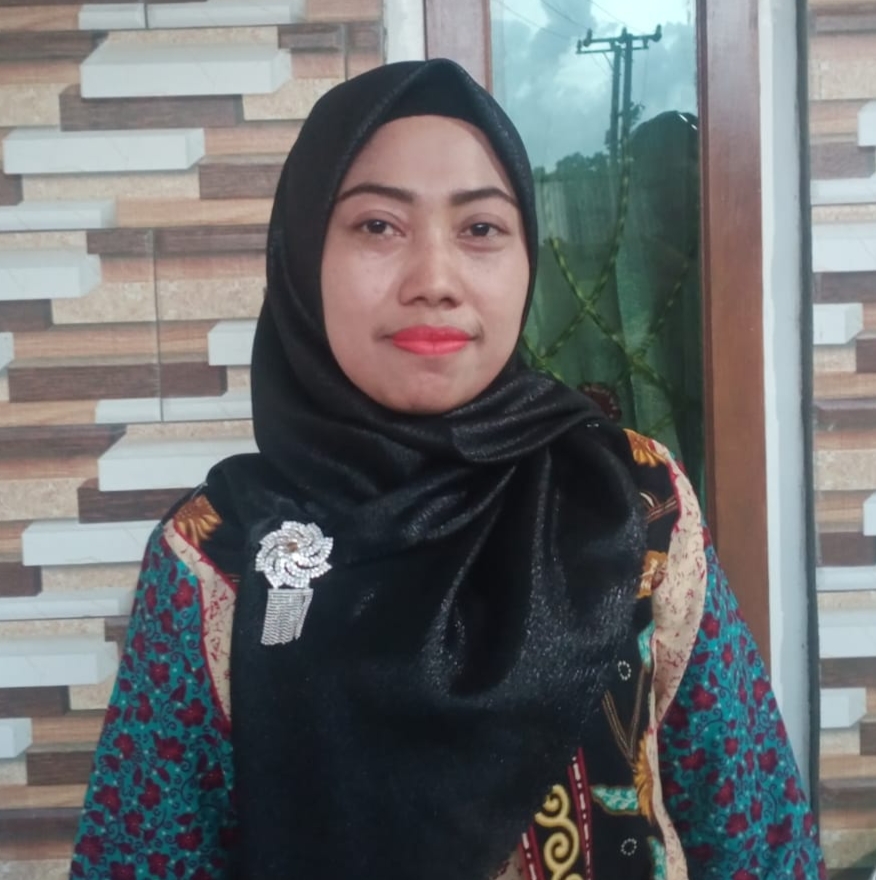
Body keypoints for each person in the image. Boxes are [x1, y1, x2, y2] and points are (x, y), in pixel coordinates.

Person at [69, 59, 825, 880]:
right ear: (301, 257)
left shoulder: (631, 500)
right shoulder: (216, 556)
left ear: (528, 258)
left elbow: (750, 824)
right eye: (377, 226)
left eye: (481, 229)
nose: (434, 281)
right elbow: (145, 858)